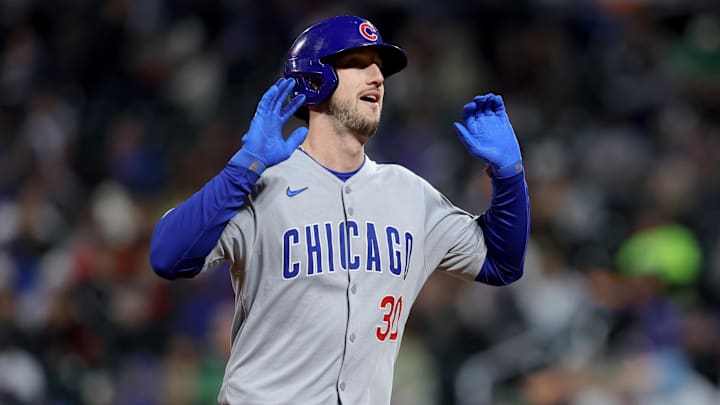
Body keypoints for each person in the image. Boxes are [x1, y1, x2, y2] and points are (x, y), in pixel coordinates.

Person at [149, 15, 530, 405]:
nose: (377, 77)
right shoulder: (262, 183)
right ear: (315, 80)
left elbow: (502, 263)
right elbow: (167, 257)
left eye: (379, 67)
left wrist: (509, 176)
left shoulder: (409, 193)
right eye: (357, 63)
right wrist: (243, 165)